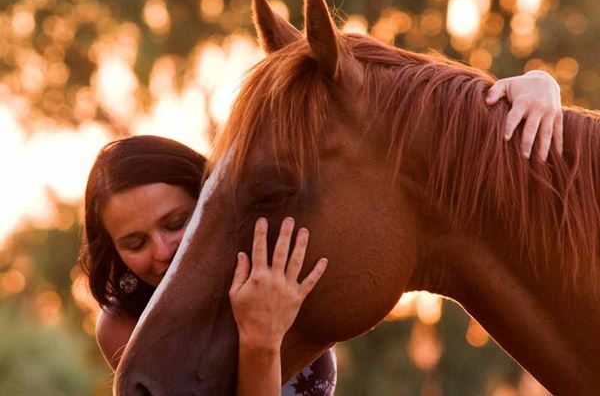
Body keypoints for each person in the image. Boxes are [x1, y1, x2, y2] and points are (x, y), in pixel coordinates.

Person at [77, 70, 563, 396]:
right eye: (134, 243)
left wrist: (536, 84)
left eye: (176, 223)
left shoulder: (265, 255)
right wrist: (262, 343)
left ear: (209, 202)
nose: (162, 251)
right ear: (114, 252)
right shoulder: (132, 328)